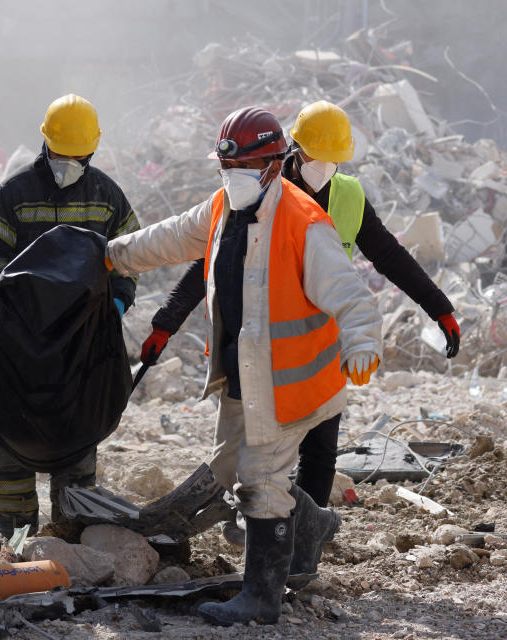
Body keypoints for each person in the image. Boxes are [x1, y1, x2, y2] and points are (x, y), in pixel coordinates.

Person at [106, 106, 382, 626]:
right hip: (244, 375)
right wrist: (109, 256)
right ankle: (313, 523)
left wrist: (363, 343)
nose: (234, 179)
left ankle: (261, 598)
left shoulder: (305, 222)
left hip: (293, 382)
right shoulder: (222, 208)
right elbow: (164, 238)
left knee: (259, 478)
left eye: (245, 169)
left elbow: (353, 297)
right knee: (231, 469)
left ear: (275, 165)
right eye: (226, 170)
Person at [141, 100, 459, 511]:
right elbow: (209, 261)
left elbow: (390, 256)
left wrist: (440, 308)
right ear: (294, 148)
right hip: (258, 345)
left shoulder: (347, 196)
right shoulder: (257, 186)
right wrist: (166, 323)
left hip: (318, 347)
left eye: (334, 160)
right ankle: (256, 520)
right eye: (315, 156)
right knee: (253, 447)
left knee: (321, 447)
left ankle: (303, 540)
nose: (324, 166)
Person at [0, 93, 140, 540]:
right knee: (7, 432)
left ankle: (70, 536)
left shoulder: (107, 196)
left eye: (78, 156)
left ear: (92, 151)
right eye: (62, 155)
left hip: (82, 341)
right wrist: (11, 293)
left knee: (77, 435)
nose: (69, 162)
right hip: (21, 337)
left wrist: (118, 300)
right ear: (45, 145)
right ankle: (15, 538)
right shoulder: (15, 193)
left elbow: (131, 254)